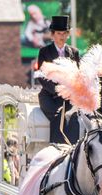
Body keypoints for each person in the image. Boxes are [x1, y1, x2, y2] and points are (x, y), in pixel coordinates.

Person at [37, 15, 81, 144]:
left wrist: (71, 91)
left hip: (69, 97)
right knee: (57, 115)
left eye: (64, 33)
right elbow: (42, 76)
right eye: (58, 33)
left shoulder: (74, 52)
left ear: (68, 34)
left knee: (73, 116)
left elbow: (78, 76)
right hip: (49, 95)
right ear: (52, 35)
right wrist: (57, 90)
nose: (62, 36)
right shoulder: (44, 52)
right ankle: (56, 147)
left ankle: (73, 149)